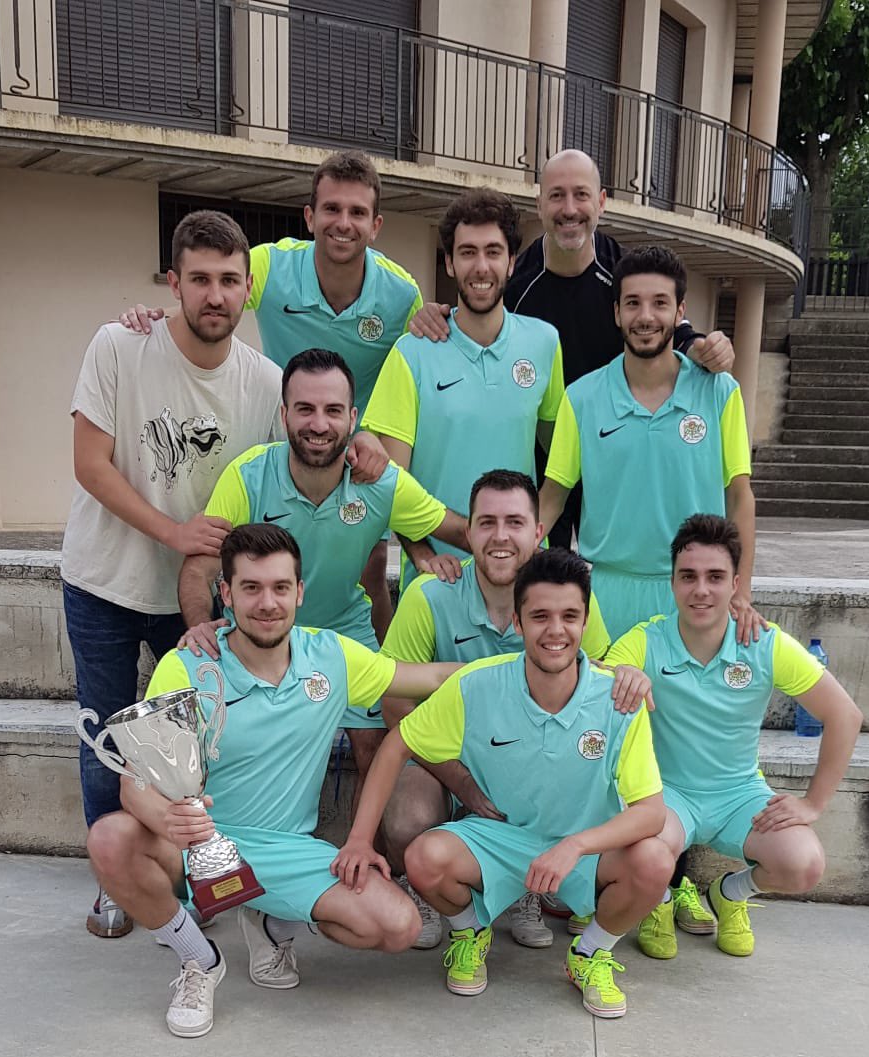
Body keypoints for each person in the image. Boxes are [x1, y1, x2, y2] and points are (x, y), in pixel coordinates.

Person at [86, 524, 461, 1039]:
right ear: (226, 593)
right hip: (202, 843)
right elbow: (136, 786)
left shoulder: (331, 656)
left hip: (287, 850)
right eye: (251, 588)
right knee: (110, 837)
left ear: (299, 592)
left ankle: (270, 918)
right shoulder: (188, 665)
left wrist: (537, 666)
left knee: (399, 925)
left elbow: (434, 678)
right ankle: (199, 961)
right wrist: (167, 819)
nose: (268, 603)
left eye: (281, 588)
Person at [63, 210, 285, 940]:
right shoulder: (119, 346)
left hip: (193, 602)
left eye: (228, 281)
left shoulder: (265, 384)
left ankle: (199, 874)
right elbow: (89, 464)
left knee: (196, 748)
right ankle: (113, 885)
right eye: (199, 279)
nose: (214, 295)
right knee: (108, 737)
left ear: (247, 289)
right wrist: (174, 532)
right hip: (104, 581)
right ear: (174, 283)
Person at [333, 548, 671, 1020]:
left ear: (586, 619)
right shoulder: (477, 684)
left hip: (581, 846)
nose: (556, 631)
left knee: (656, 860)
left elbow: (651, 812)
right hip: (502, 837)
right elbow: (397, 745)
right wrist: (357, 840)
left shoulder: (617, 697)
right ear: (517, 621)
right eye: (540, 616)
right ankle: (470, 930)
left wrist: (575, 845)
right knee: (424, 859)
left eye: (570, 616)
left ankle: (591, 953)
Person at [123, 150, 424, 640]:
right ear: (309, 216)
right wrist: (158, 317)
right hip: (284, 436)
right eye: (330, 209)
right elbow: (218, 294)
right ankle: (269, 660)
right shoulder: (270, 265)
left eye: (356, 212)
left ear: (376, 225)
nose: (342, 223)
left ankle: (377, 678)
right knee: (268, 559)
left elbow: (410, 371)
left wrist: (369, 434)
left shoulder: (400, 293)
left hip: (352, 445)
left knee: (370, 565)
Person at [177, 348, 469, 804]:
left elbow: (455, 529)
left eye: (333, 410)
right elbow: (199, 568)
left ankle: (361, 862)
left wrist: (517, 545)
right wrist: (198, 623)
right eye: (305, 409)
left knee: (372, 744)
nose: (319, 424)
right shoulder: (248, 476)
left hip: (345, 629)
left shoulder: (379, 482)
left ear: (353, 418)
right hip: (258, 630)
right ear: (284, 414)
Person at [409, 149, 735, 549]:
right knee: (547, 587)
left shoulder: (624, 272)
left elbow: (665, 324)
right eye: (557, 196)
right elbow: (477, 312)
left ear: (601, 202)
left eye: (581, 195)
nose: (569, 209)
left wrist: (704, 345)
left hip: (614, 454)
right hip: (547, 469)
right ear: (540, 204)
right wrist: (437, 314)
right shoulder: (516, 284)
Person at [604, 514, 862, 960]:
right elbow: (595, 686)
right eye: (688, 576)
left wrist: (813, 803)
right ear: (672, 582)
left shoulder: (764, 643)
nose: (701, 589)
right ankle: (659, 901)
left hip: (737, 794)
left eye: (715, 577)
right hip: (667, 797)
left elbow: (845, 714)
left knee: (804, 864)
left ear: (735, 584)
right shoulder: (644, 641)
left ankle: (730, 894)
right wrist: (618, 674)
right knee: (642, 856)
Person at [379, 469, 611, 950]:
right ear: (468, 532)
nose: (500, 536)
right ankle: (427, 892)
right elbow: (396, 703)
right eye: (486, 523)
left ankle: (524, 890)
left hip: (530, 751)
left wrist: (629, 674)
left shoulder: (565, 595)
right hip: (446, 752)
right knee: (404, 816)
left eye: (514, 522)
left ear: (538, 531)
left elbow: (599, 683)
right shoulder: (430, 594)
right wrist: (458, 778)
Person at [540, 245, 761, 645]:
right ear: (616, 313)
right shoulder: (582, 398)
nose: (645, 317)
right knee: (613, 706)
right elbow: (552, 497)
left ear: (680, 313)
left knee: (684, 709)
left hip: (696, 593)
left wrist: (741, 593)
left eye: (660, 303)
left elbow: (739, 498)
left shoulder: (720, 392)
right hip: (608, 597)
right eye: (632, 303)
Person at [363, 187, 565, 589]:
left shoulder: (544, 343)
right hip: (439, 577)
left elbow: (560, 462)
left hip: (515, 579)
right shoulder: (412, 352)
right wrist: (421, 552)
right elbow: (392, 479)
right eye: (468, 252)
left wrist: (531, 535)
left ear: (511, 262)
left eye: (493, 252)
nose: (481, 266)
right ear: (450, 264)